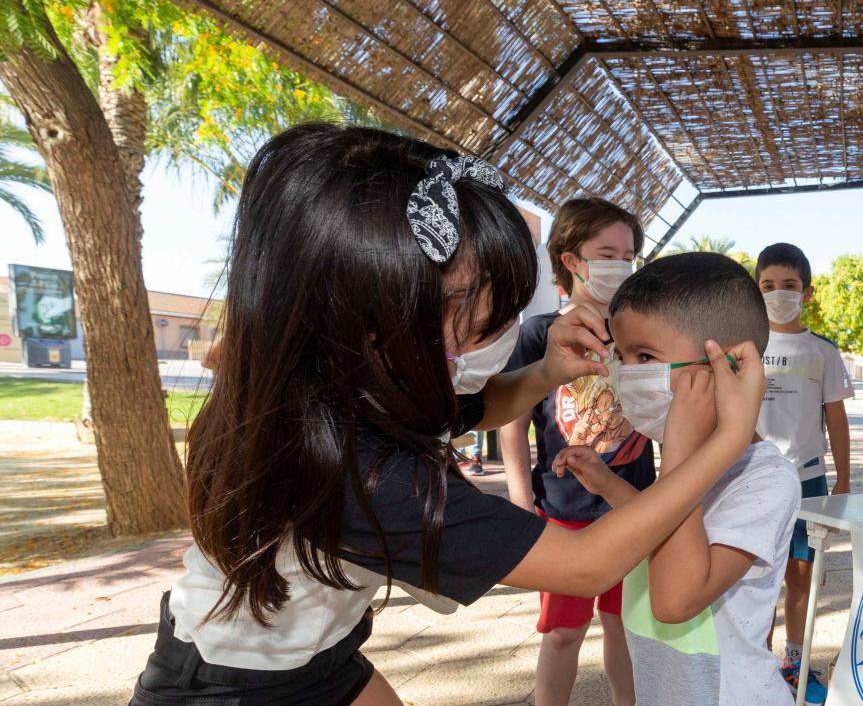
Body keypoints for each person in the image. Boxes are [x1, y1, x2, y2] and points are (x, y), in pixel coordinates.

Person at [128, 124, 767, 706]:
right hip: (236, 685)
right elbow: (589, 564)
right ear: (373, 308)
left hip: (315, 653)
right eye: (473, 315)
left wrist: (545, 372)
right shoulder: (355, 469)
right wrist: (723, 438)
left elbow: (476, 409)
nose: (495, 334)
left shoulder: (344, 386)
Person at [557, 252, 801, 706]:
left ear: (725, 366)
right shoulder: (691, 462)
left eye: (645, 356)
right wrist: (610, 485)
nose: (626, 374)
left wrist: (680, 452)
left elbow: (675, 599)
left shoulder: (766, 481)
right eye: (623, 357)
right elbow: (662, 531)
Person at [498, 197, 653, 706]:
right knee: (563, 633)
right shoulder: (539, 334)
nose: (621, 265)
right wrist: (521, 502)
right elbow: (511, 424)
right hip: (562, 514)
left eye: (628, 255)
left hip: (633, 507)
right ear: (571, 260)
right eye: (607, 253)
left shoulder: (645, 335)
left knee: (625, 629)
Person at [754, 242, 851, 703]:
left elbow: (836, 419)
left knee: (799, 574)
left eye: (789, 286)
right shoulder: (745, 350)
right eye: (768, 286)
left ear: (807, 293)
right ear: (757, 291)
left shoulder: (823, 352)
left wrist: (844, 480)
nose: (779, 294)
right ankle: (756, 661)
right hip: (751, 480)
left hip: (807, 481)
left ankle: (796, 661)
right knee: (755, 576)